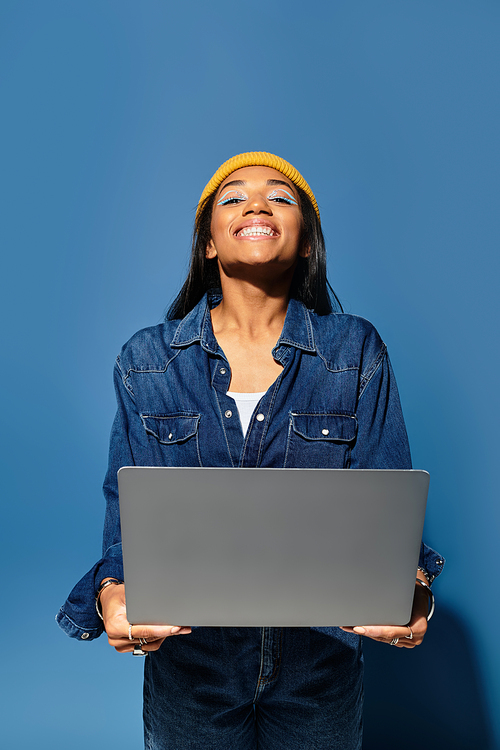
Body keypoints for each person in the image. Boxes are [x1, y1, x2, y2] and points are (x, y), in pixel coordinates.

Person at [57, 151, 444, 749]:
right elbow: (124, 515)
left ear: (308, 245)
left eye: (282, 198)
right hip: (191, 668)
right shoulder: (147, 360)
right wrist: (114, 594)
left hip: (321, 665)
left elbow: (386, 498)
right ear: (208, 242)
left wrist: (414, 589)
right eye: (233, 197)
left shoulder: (356, 350)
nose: (258, 203)